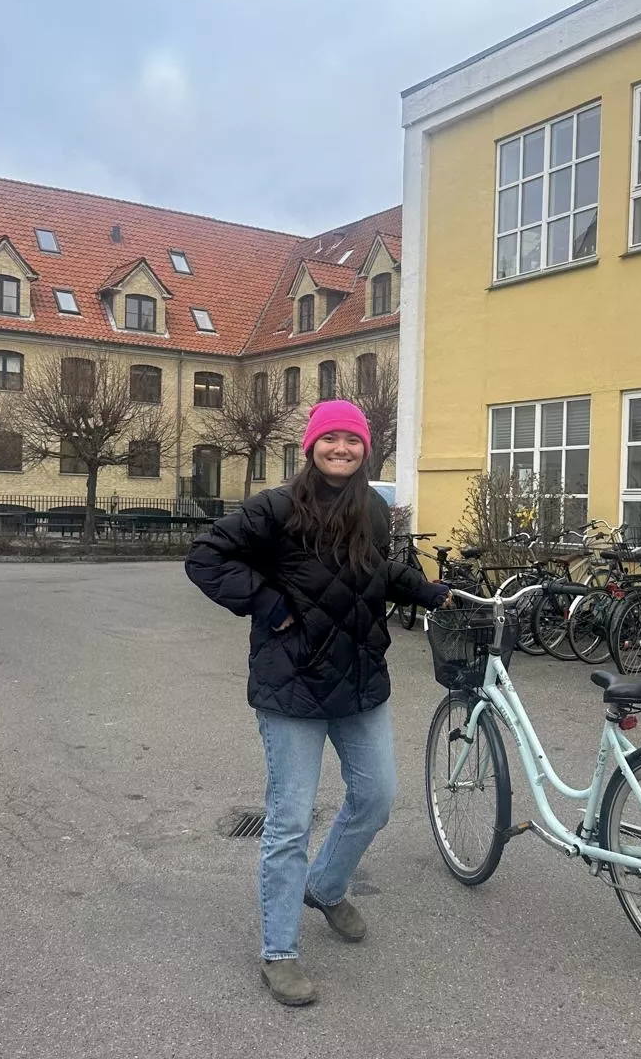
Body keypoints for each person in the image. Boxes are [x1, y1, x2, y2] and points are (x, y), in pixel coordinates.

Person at [185, 399, 450, 1007]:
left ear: (365, 450)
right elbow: (205, 555)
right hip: (292, 686)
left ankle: (326, 887)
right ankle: (279, 952)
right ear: (311, 447)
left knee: (377, 796)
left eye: (351, 440)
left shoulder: (373, 510)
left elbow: (379, 571)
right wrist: (268, 605)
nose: (340, 448)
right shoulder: (275, 509)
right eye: (329, 439)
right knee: (289, 821)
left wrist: (432, 593)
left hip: (359, 681)